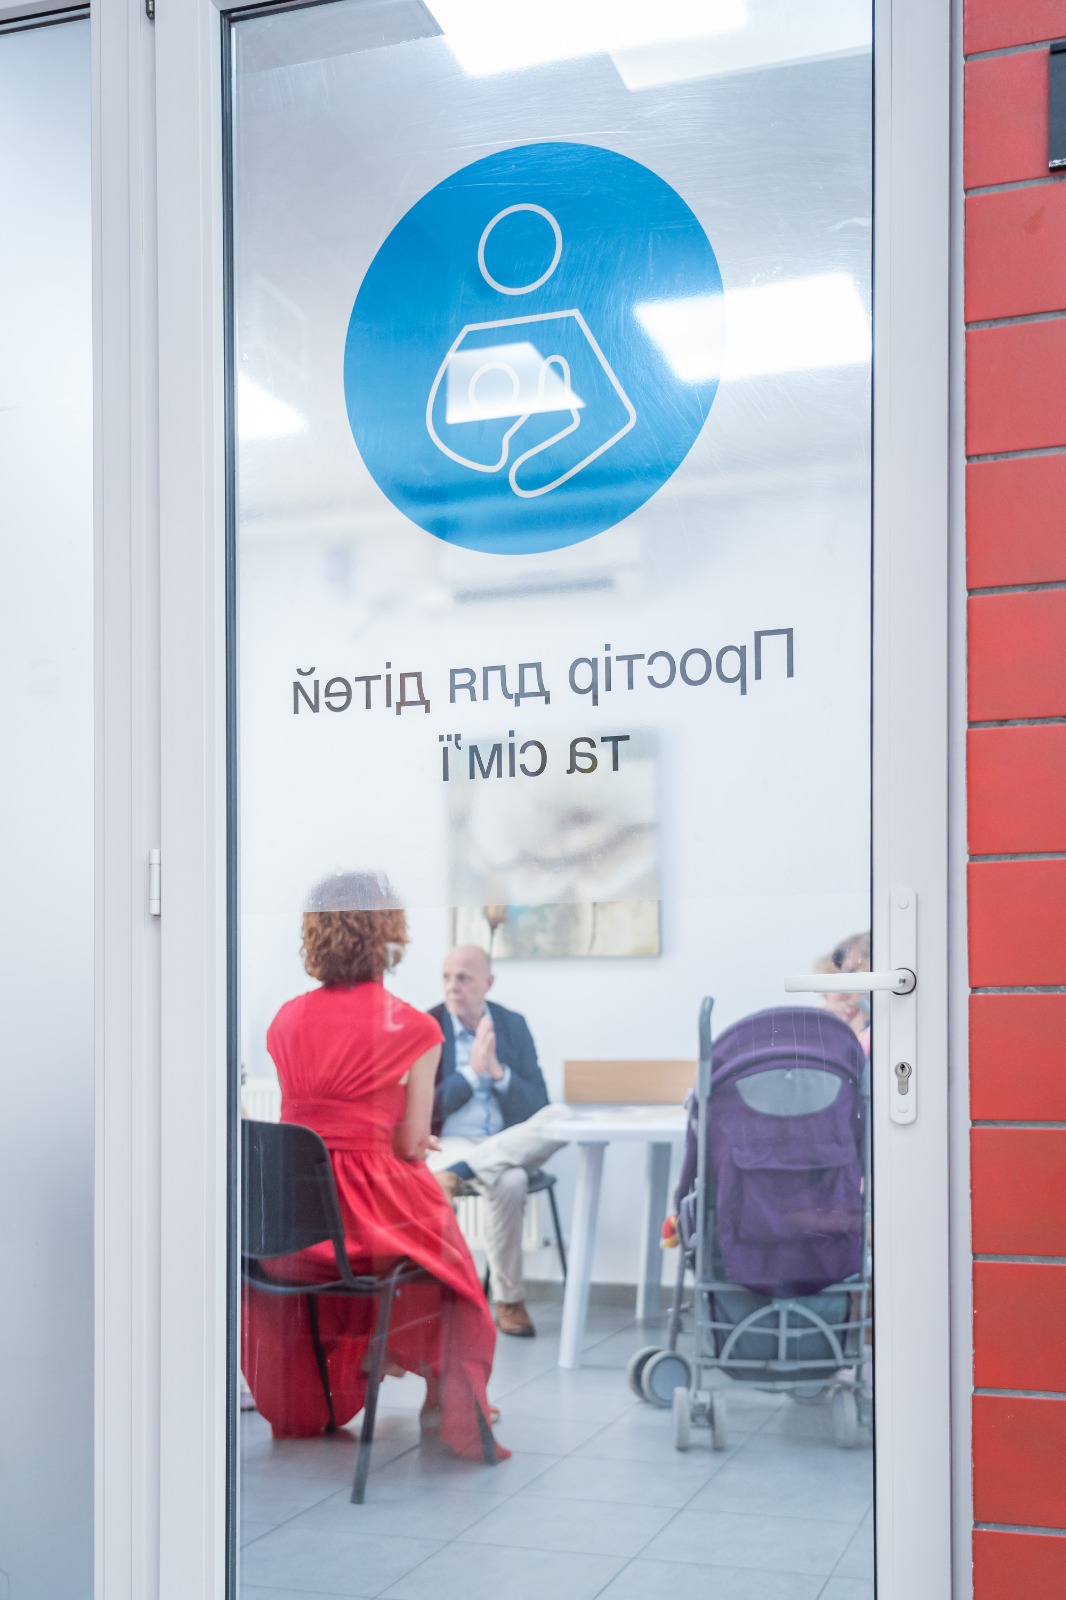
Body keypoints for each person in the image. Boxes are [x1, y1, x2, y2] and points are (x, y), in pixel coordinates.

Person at [241, 873, 509, 1465]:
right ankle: (438, 1394)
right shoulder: (415, 1027)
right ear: (388, 937)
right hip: (365, 1220)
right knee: (453, 1269)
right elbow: (411, 1144)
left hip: (292, 1223)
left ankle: (372, 1355)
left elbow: (308, 1122)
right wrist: (401, 1136)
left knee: (417, 1254)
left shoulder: (285, 1020)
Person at [427, 946, 566, 1339]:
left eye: (463, 978)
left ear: (488, 982)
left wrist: (498, 1073)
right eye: (446, 977)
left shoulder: (511, 1025)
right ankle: (510, 1302)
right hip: (450, 1142)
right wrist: (471, 1075)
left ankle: (459, 1174)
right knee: (511, 1179)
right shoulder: (428, 1025)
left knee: (561, 1117)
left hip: (505, 1140)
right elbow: (421, 1106)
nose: (452, 987)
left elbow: (538, 1105)